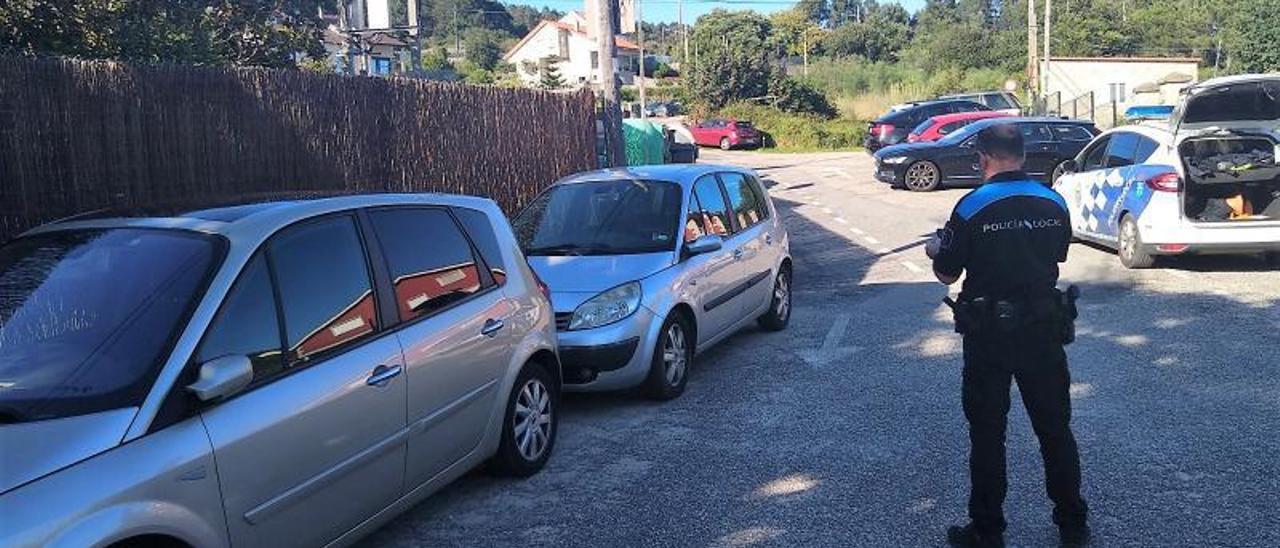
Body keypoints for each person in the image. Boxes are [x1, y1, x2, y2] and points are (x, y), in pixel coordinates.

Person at [925, 124, 1090, 547]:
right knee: (1055, 429)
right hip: (1042, 330)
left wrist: (936, 249)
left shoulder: (971, 206)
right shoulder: (1053, 201)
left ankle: (987, 530)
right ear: (1022, 154)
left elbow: (947, 272)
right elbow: (1058, 254)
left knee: (987, 434)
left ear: (983, 158)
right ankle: (1072, 525)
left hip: (989, 337)